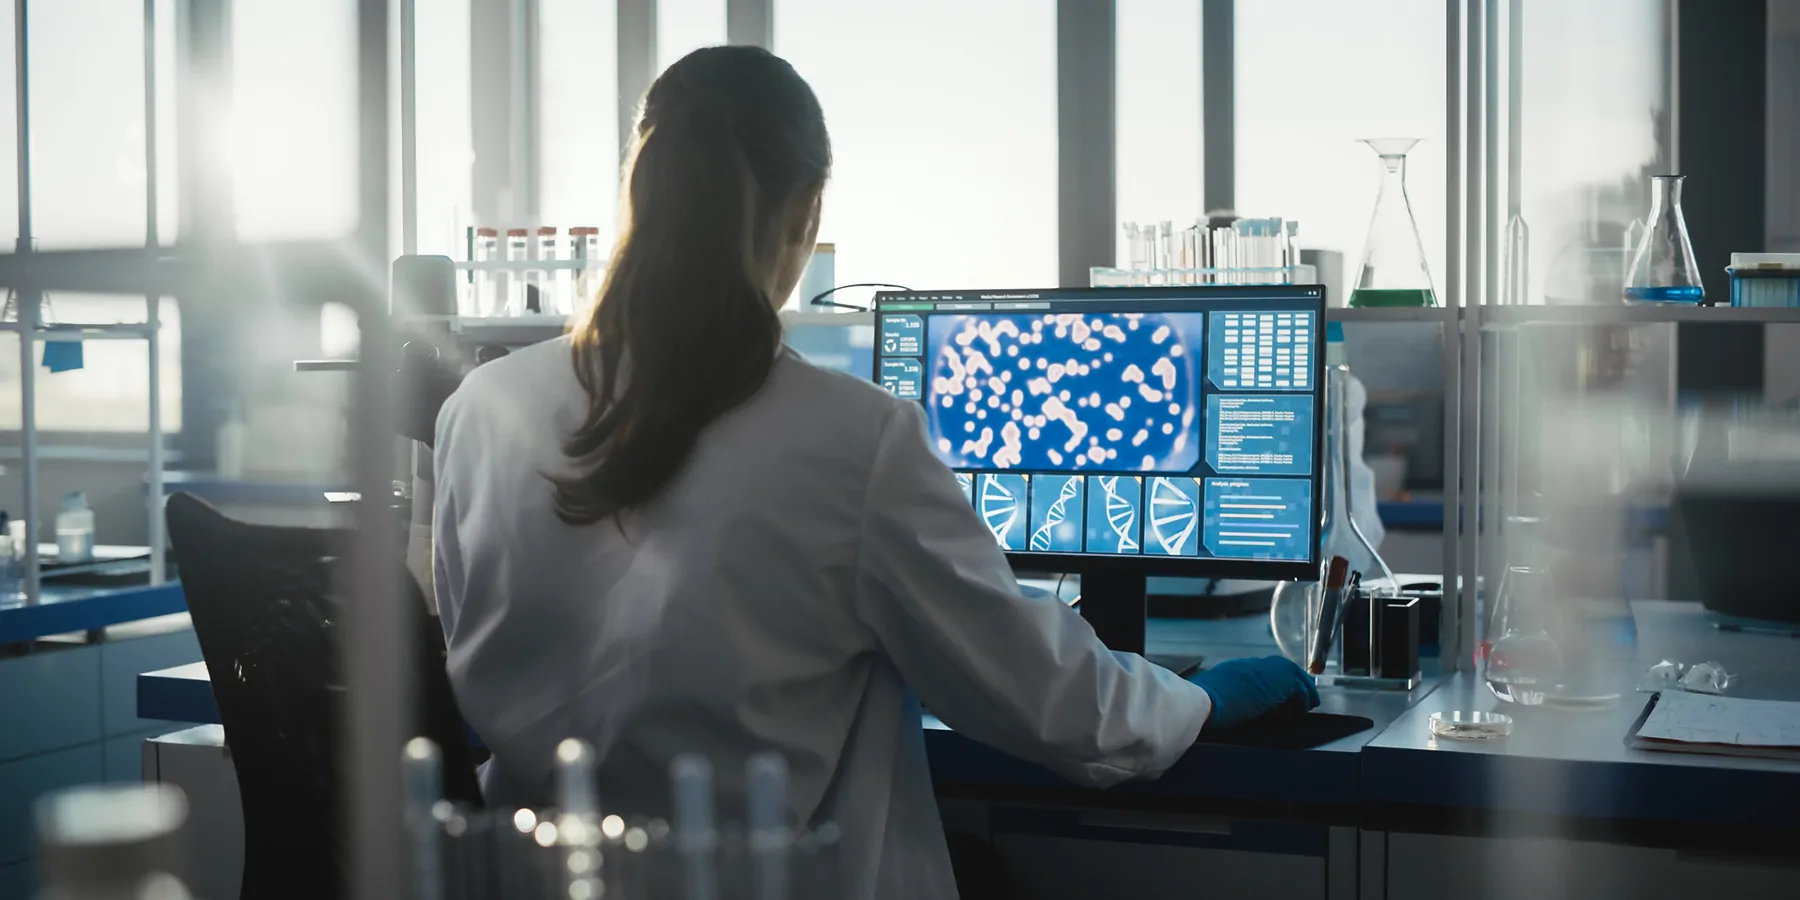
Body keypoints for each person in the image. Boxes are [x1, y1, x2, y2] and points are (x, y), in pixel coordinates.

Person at [433, 45, 1318, 899]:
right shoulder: (853, 439)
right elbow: (1060, 711)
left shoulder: (482, 409)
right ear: (806, 214)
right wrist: (1195, 703)